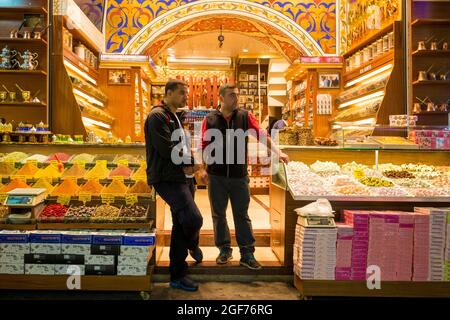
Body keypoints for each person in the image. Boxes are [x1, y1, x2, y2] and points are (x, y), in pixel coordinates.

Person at [199, 84, 289, 270]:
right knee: (218, 215)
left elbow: (262, 136)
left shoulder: (245, 116)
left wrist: (278, 152)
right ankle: (224, 249)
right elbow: (203, 145)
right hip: (216, 176)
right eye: (232, 95)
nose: (236, 98)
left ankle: (247, 253)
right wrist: (202, 168)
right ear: (221, 98)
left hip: (239, 176)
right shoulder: (210, 119)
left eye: (237, 95)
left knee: (242, 215)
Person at [144, 79, 205, 292]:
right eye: (181, 93)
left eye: (186, 93)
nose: (185, 97)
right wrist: (192, 162)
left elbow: (181, 146)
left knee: (181, 223)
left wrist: (191, 165)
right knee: (193, 218)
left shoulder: (175, 116)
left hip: (182, 177)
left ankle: (178, 275)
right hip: (166, 178)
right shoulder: (157, 116)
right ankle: (192, 244)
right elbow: (167, 149)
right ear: (168, 93)